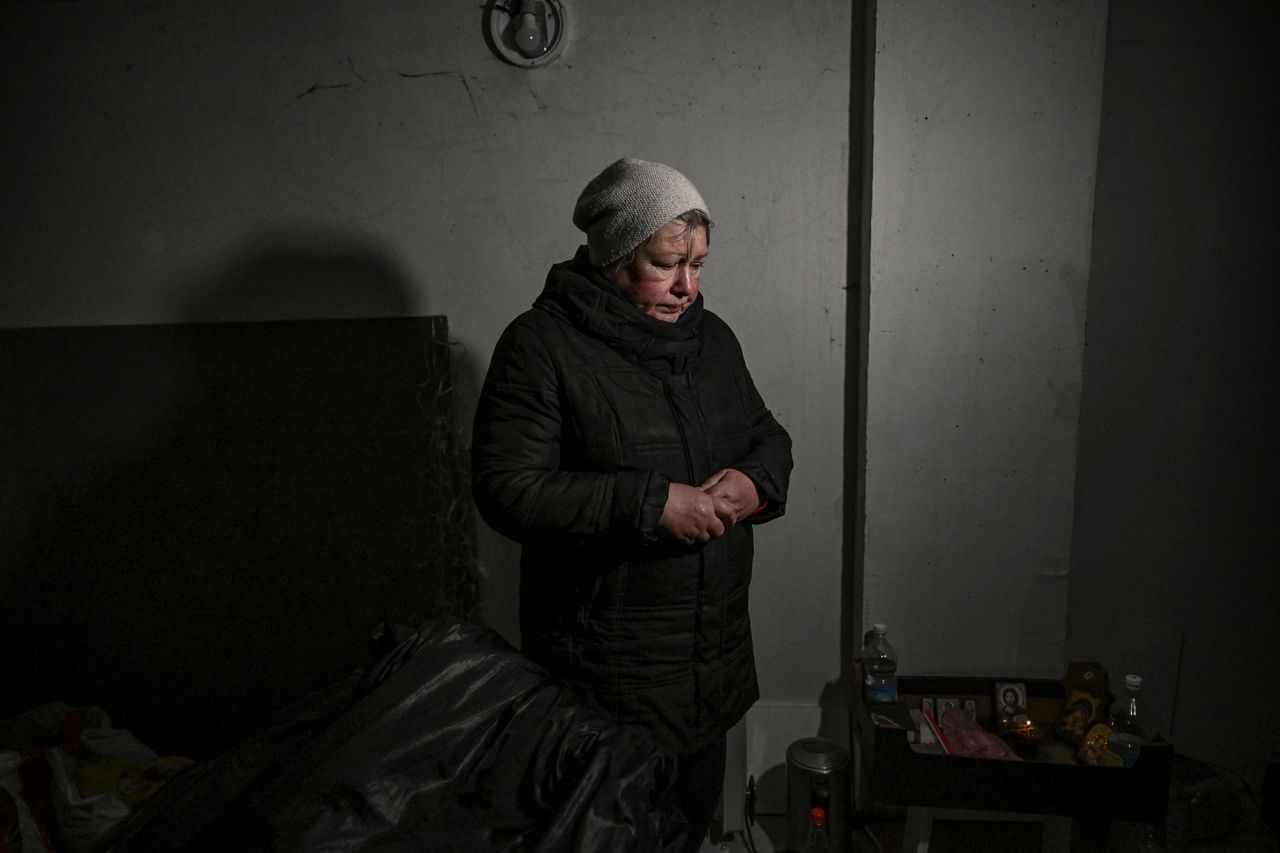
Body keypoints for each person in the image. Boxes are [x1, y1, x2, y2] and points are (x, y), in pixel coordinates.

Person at [471, 157, 793, 852]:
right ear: (614, 253)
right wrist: (650, 504)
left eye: (699, 264)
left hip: (709, 663)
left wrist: (756, 480)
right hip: (604, 680)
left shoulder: (712, 339)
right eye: (665, 263)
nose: (687, 286)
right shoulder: (541, 346)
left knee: (683, 833)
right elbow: (508, 487)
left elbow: (766, 432)